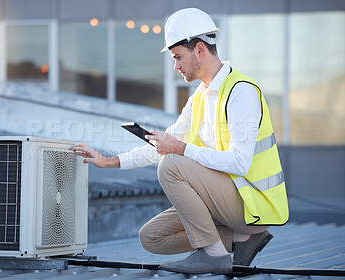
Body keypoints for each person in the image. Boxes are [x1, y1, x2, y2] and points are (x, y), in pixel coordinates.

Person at [71, 7, 289, 275]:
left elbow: (240, 163)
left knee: (171, 165)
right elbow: (163, 146)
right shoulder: (199, 99)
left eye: (177, 57)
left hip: (252, 204)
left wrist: (181, 149)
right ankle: (239, 240)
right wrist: (109, 162)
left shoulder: (241, 92)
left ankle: (214, 255)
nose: (175, 66)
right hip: (226, 202)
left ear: (199, 50)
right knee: (151, 237)